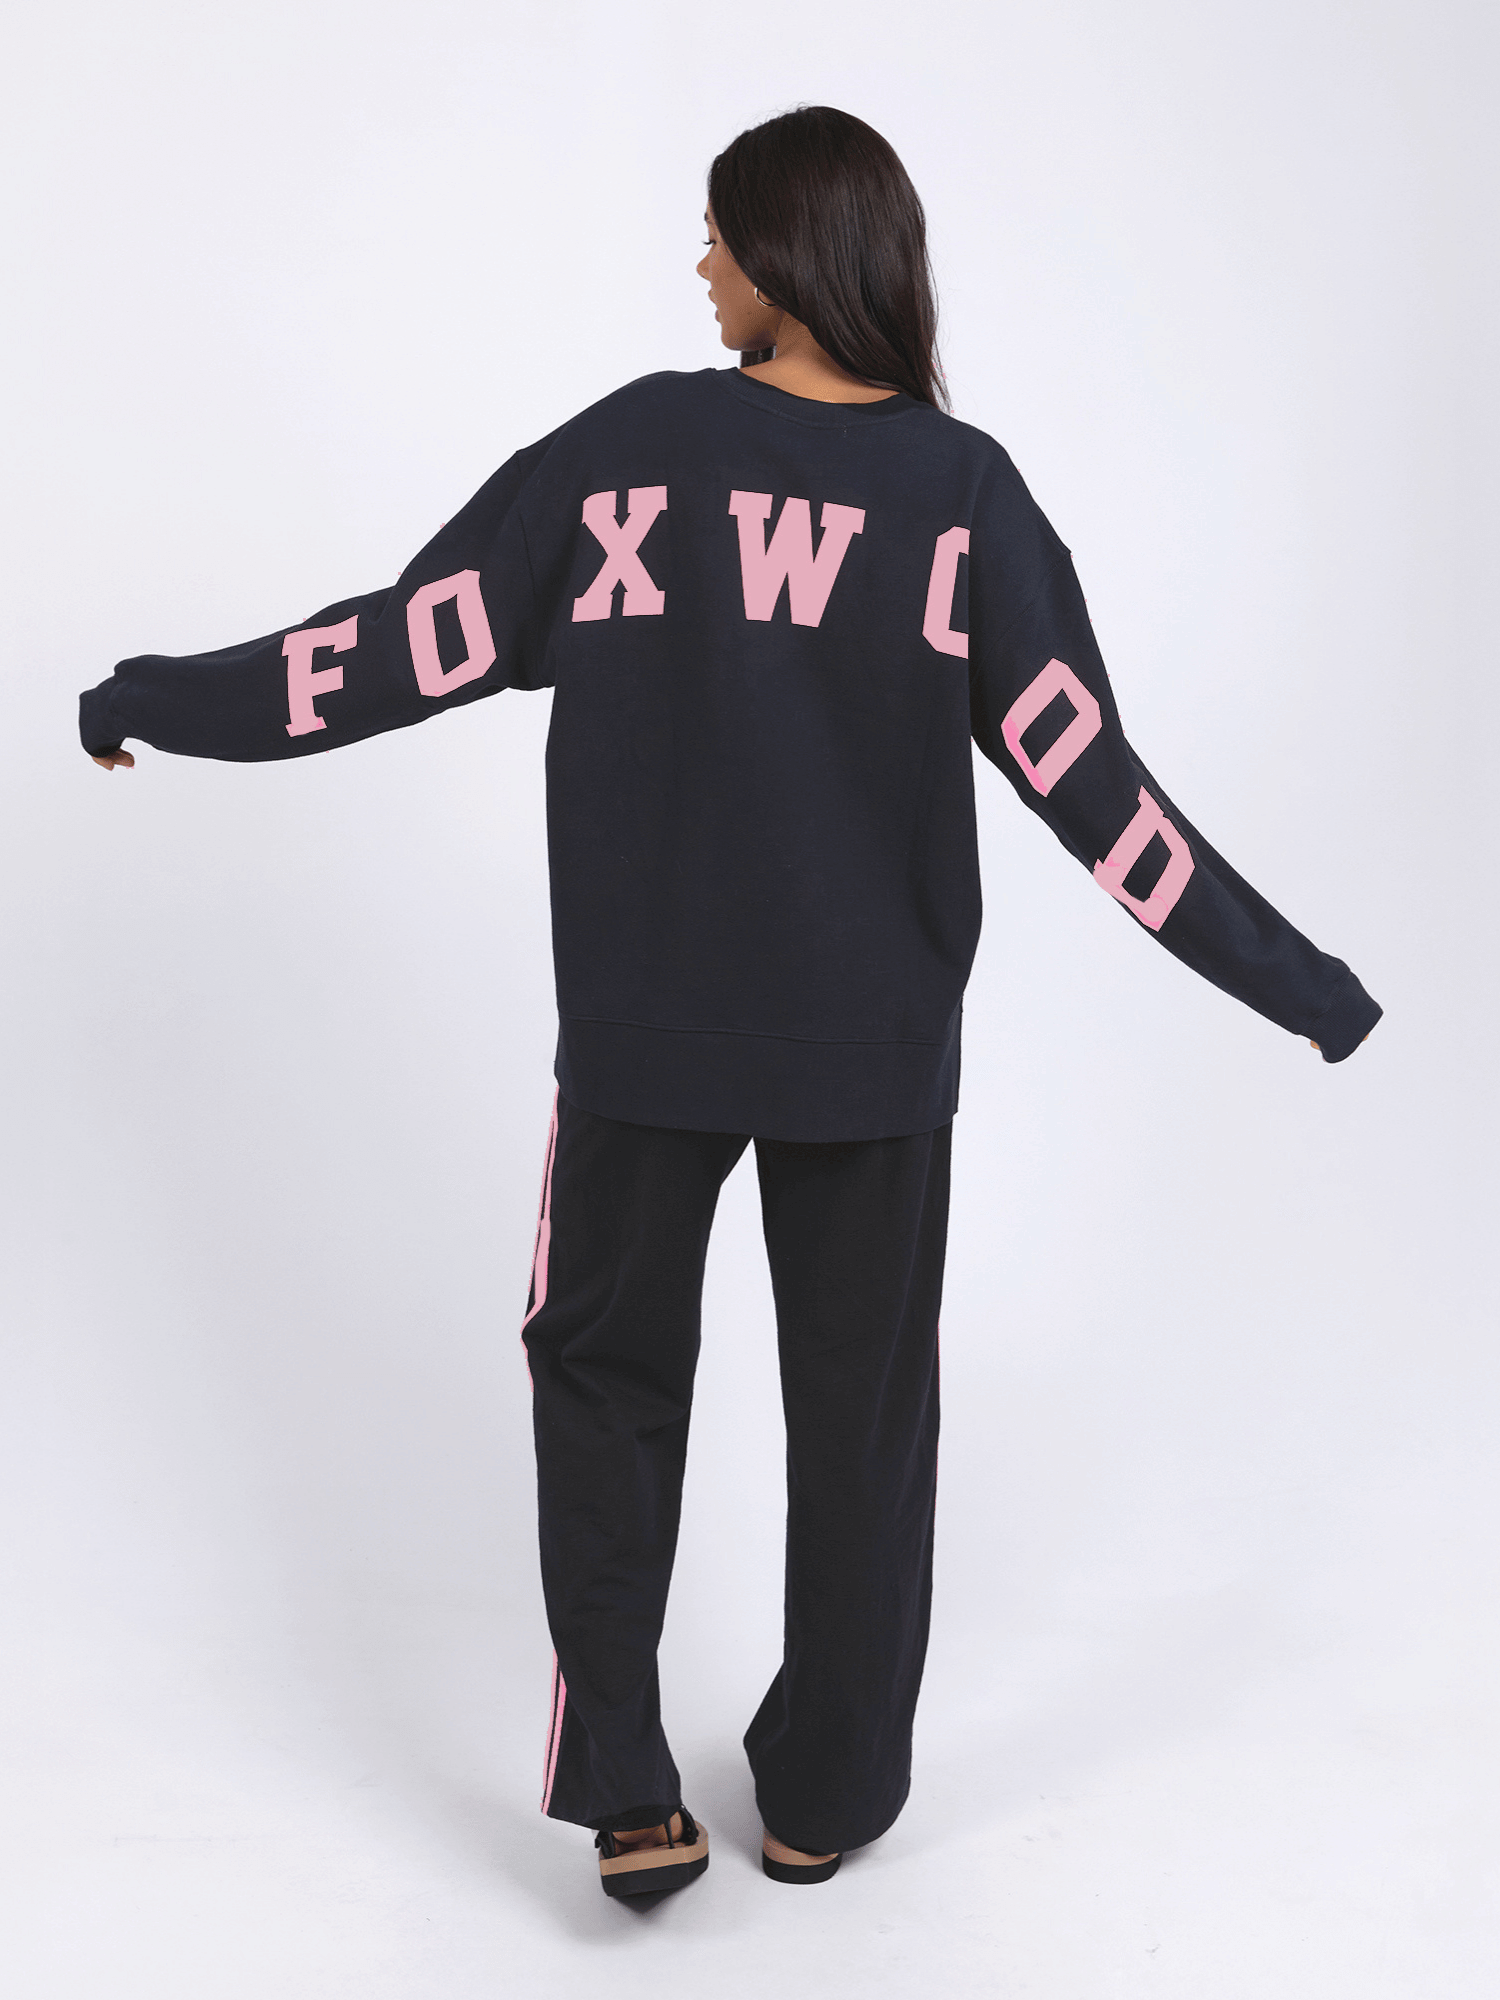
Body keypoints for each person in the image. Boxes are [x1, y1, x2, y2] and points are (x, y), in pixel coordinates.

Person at [80, 105, 1381, 1901]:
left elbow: (400, 644)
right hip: (871, 1056)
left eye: (717, 234)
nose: (698, 264)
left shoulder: (636, 453)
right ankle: (822, 1799)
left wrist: (155, 697)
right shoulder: (964, 499)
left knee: (605, 1385)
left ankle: (628, 1787)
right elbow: (1100, 794)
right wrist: (1299, 983)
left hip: (646, 1037)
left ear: (786, 250)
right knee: (864, 1431)